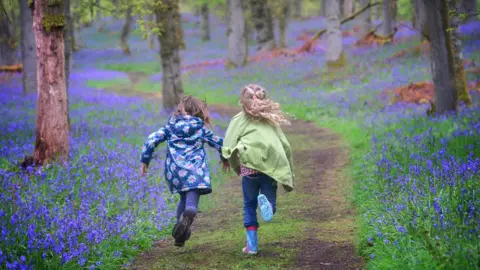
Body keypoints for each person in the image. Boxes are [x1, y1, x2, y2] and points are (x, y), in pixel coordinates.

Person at [140, 95, 229, 247]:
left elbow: (152, 139)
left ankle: (180, 235)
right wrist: (225, 158)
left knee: (183, 198)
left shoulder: (170, 126)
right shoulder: (200, 128)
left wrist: (145, 159)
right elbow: (219, 142)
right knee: (191, 205)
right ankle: (189, 214)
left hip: (175, 172)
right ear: (198, 112)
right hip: (195, 172)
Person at [222, 84, 294, 255]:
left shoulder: (238, 120)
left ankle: (252, 246)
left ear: (242, 101)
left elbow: (228, 146)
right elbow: (285, 145)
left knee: (249, 205)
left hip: (249, 168)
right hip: (270, 168)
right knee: (269, 200)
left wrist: (235, 165)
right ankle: (268, 207)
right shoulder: (271, 120)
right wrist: (288, 172)